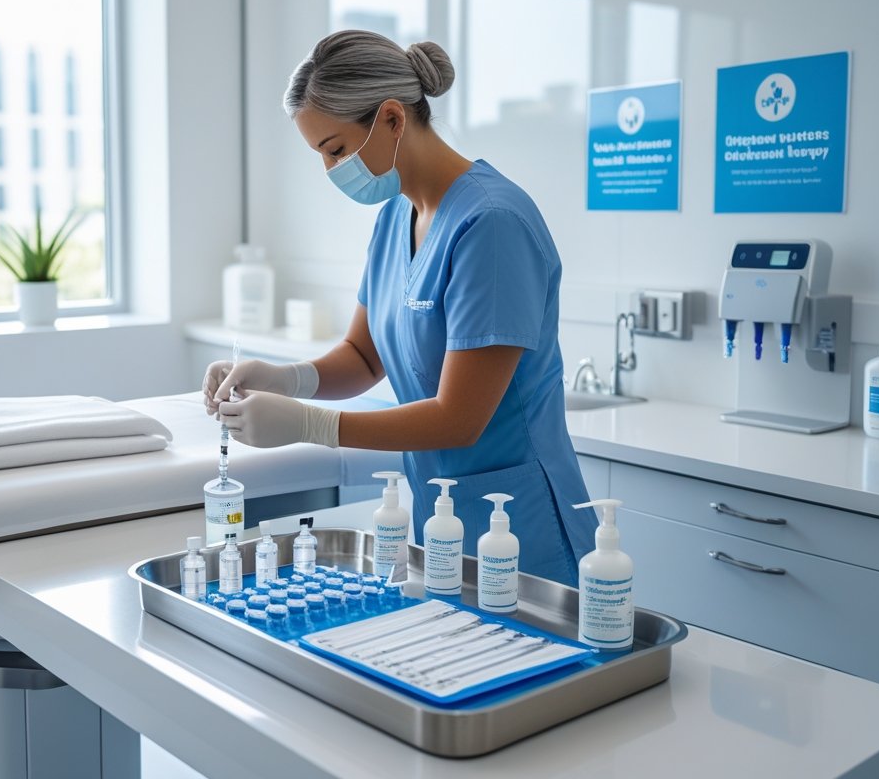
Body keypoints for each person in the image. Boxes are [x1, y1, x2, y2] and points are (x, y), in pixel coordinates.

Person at [203, 30, 595, 586]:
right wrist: (282, 379)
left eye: (335, 149)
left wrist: (309, 424)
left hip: (523, 527)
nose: (331, 169)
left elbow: (458, 418)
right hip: (441, 519)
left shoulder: (492, 225)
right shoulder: (395, 217)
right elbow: (364, 357)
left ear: (391, 119)